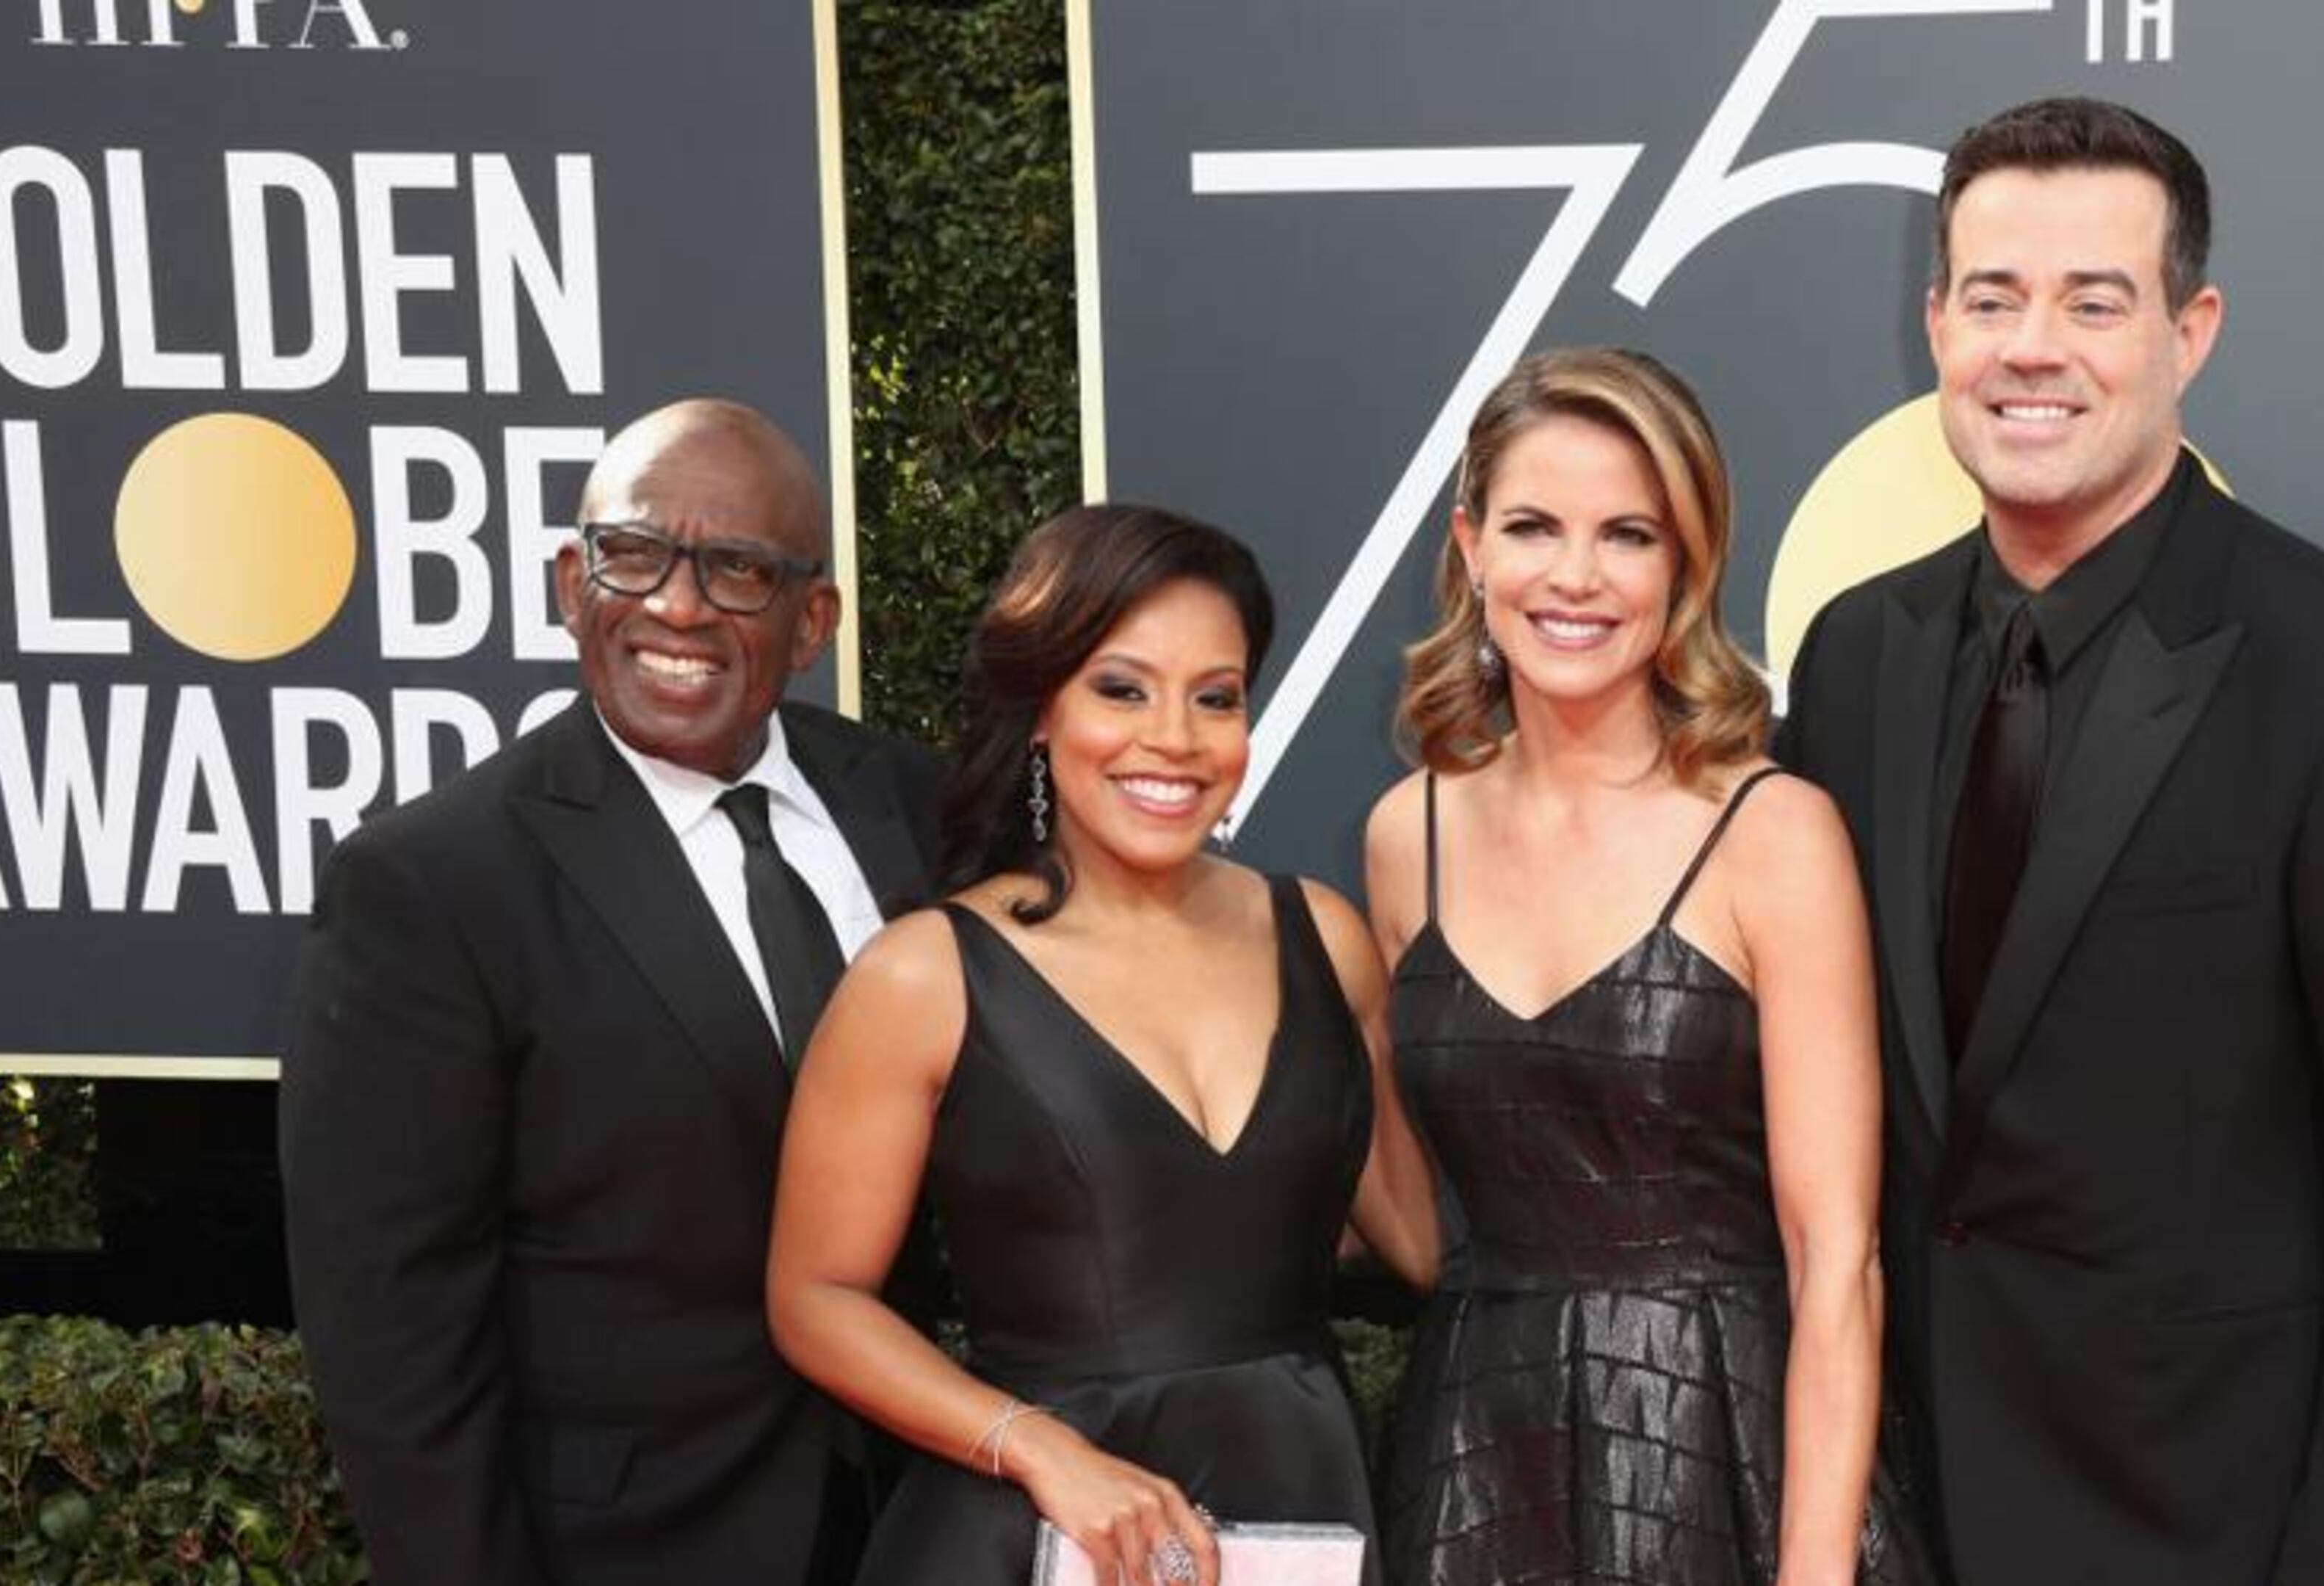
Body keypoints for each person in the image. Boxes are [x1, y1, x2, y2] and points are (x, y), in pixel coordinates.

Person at [1775, 97, 2324, 1585]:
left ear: (2193, 332)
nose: (2031, 347)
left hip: (2208, 1525)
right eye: (1993, 298)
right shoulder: (1856, 659)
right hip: (1902, 1513)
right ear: (1935, 324)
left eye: (2094, 301)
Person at [280, 399, 948, 1586]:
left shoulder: (913, 805)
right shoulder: (435, 882)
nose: (677, 606)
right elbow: (395, 1332)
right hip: (625, 1549)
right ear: (568, 583)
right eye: (632, 557)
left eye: (738, 569)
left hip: (923, 1527)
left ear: (813, 623)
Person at [764, 504, 1441, 1586]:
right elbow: (815, 1300)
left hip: (1296, 1515)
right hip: (1023, 1535)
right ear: (1042, 711)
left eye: (1214, 698)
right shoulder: (924, 975)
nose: (1173, 738)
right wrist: (1042, 1450)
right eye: (1122, 689)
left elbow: (1422, 1244)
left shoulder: (1326, 938)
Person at [1368, 347, 1908, 1585]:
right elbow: (1408, 1210)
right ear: (1470, 546)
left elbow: (1839, 1260)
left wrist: (1814, 1571)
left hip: (1729, 1450)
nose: (1576, 576)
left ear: (1688, 563)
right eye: (1532, 526)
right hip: (1477, 1456)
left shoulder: (1772, 831)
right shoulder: (1409, 835)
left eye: (1628, 534)